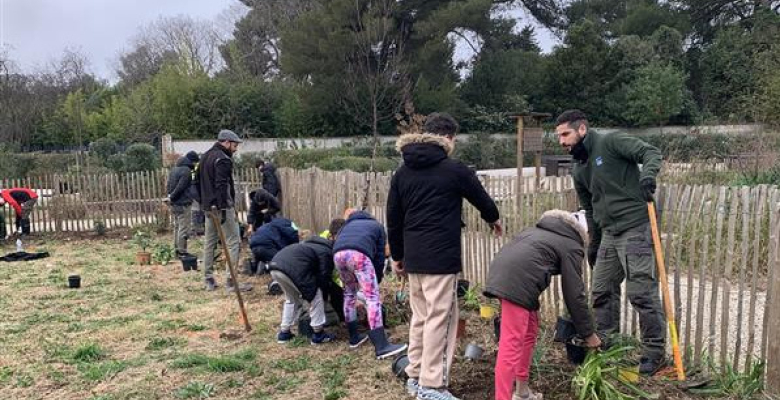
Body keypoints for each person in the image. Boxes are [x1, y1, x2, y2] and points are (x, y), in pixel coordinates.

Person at [387, 112, 502, 400]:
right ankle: (432, 385)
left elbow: (393, 218)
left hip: (413, 257)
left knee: (421, 317)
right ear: (449, 138)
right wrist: (494, 219)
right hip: (441, 258)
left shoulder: (402, 172)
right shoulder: (454, 170)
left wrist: (397, 256)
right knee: (443, 318)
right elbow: (483, 201)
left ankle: (415, 374)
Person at [555, 109, 665, 374]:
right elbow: (589, 208)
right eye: (558, 136)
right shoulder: (579, 168)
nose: (561, 141)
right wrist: (594, 241)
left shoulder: (611, 142)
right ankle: (608, 342)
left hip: (636, 227)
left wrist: (648, 175)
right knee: (601, 290)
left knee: (641, 293)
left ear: (582, 129)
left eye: (565, 134)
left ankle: (654, 352)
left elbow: (651, 152)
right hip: (609, 234)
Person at [484, 210, 601, 400]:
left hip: (506, 275)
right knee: (511, 345)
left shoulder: (538, 231)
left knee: (529, 330)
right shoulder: (571, 244)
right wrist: (589, 334)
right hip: (517, 284)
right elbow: (574, 294)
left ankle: (522, 391)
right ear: (584, 233)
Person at [333, 209, 407, 358]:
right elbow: (380, 256)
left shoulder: (346, 226)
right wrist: (377, 277)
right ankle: (382, 346)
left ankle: (354, 338)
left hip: (338, 255)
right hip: (359, 255)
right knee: (372, 297)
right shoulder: (377, 226)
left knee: (349, 294)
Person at [197, 129, 250, 292]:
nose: (235, 149)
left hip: (208, 207)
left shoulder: (205, 157)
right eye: (234, 145)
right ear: (226, 142)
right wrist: (223, 209)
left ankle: (208, 279)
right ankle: (231, 281)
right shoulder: (223, 159)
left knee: (210, 243)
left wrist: (204, 203)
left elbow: (197, 183)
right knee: (234, 242)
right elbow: (221, 186)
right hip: (222, 207)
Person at [269, 234, 338, 345]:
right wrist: (325, 294)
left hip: (275, 266)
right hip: (293, 270)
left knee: (291, 300)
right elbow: (324, 276)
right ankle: (318, 334)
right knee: (316, 297)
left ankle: (284, 333)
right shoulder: (326, 251)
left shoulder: (307, 244)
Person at [166, 151, 199, 257]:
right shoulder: (186, 171)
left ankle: (176, 250)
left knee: (177, 226)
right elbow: (181, 187)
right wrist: (173, 196)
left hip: (174, 203)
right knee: (183, 228)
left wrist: (170, 197)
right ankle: (182, 251)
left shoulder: (174, 169)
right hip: (183, 203)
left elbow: (168, 185)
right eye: (195, 162)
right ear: (192, 161)